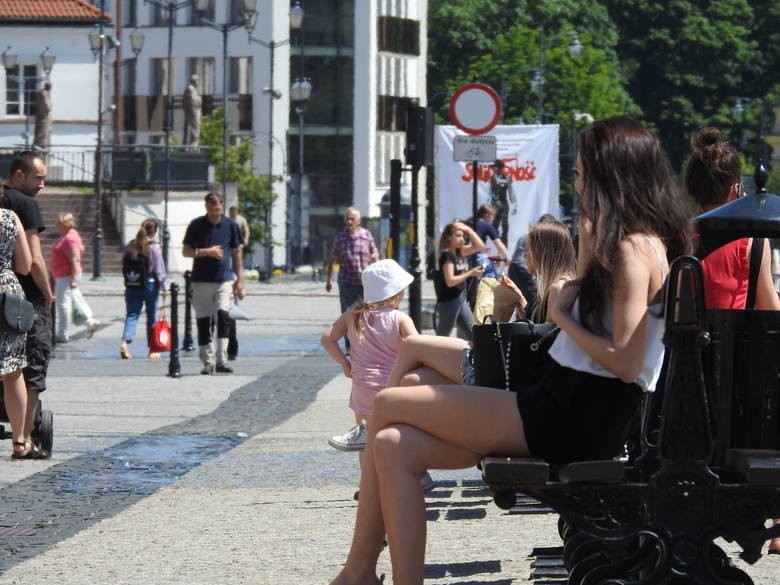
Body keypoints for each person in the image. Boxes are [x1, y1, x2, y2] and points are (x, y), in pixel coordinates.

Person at [326, 116, 691, 585]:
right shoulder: (632, 241)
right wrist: (584, 246)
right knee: (393, 443)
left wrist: (559, 317)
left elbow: (624, 360)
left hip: (571, 414)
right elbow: (589, 312)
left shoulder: (631, 250)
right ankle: (380, 576)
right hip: (564, 403)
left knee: (390, 402)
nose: (577, 184)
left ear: (607, 176)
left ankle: (356, 571)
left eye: (582, 174)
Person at [684, 126, 780, 555]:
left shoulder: (679, 241)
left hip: (685, 388)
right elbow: (769, 313)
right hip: (739, 388)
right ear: (737, 190)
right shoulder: (751, 244)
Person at [388, 219, 577, 389]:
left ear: (544, 252)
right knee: (411, 380)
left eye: (529, 249)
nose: (525, 255)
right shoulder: (555, 286)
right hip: (507, 368)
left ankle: (374, 416)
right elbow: (538, 331)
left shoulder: (559, 288)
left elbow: (546, 352)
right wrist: (520, 301)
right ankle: (377, 416)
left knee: (412, 344)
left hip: (504, 373)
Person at [0, 151, 54, 457]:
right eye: (39, 177)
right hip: (15, 301)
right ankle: (23, 440)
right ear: (18, 175)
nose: (43, 184)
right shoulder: (18, 211)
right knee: (20, 369)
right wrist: (48, 293)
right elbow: (30, 261)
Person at [182, 192, 245, 375]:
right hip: (201, 280)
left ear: (222, 206)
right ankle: (208, 362)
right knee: (203, 321)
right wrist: (205, 252)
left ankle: (221, 360)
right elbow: (186, 251)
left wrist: (239, 279)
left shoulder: (230, 225)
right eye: (210, 210)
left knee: (223, 318)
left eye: (217, 210)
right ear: (205, 208)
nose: (214, 213)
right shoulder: (196, 225)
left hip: (223, 280)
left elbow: (237, 253)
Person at [0, 186, 35, 458]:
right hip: (7, 296)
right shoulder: (10, 218)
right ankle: (20, 442)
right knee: (12, 372)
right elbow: (25, 265)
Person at [325, 207, 379, 349]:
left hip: (364, 282)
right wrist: (328, 281)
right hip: (346, 281)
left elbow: (375, 253)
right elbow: (331, 259)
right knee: (348, 314)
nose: (349, 221)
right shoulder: (340, 238)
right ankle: (350, 346)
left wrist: (375, 260)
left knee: (365, 313)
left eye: (352, 219)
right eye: (347, 219)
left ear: (359, 221)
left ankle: (365, 345)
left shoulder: (366, 235)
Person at [119, 219, 168, 360]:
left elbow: (124, 263)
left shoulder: (131, 245)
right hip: (150, 285)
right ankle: (153, 349)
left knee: (132, 315)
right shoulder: (154, 247)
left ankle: (124, 343)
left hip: (132, 285)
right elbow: (159, 269)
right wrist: (164, 286)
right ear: (154, 232)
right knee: (151, 317)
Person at [49, 212, 99, 343]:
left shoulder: (69, 238)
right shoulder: (69, 236)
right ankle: (89, 322)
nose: (57, 226)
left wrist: (74, 278)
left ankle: (63, 333)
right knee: (75, 301)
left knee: (63, 305)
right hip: (63, 274)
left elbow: (75, 258)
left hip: (65, 275)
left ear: (66, 225)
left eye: (59, 224)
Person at [434, 220, 485, 339]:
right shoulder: (447, 255)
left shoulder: (459, 252)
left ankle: (473, 357)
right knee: (442, 337)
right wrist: (470, 273)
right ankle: (430, 357)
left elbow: (480, 246)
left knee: (474, 333)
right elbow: (450, 281)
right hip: (449, 302)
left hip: (460, 299)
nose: (462, 239)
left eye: (463, 236)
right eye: (458, 235)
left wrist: (468, 229)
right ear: (448, 238)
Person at [508, 213, 558, 306]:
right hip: (523, 268)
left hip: (514, 267)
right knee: (533, 300)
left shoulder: (527, 236)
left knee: (522, 300)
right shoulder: (537, 237)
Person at [226, 206, 249, 360]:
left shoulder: (239, 221)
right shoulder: (227, 224)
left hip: (230, 277)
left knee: (230, 315)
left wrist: (240, 282)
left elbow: (238, 261)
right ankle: (224, 348)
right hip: (217, 278)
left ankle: (231, 348)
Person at [471, 203, 510, 278]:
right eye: (492, 217)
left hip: (462, 256)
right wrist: (508, 257)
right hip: (474, 256)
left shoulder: (470, 222)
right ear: (487, 215)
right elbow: (499, 245)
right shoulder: (486, 225)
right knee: (490, 271)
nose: (493, 220)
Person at [182, 74, 202, 146]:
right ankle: (192, 145)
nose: (198, 83)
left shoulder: (193, 89)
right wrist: (193, 112)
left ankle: (192, 144)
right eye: (197, 81)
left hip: (195, 111)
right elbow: (191, 101)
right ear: (195, 81)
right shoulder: (190, 89)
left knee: (194, 128)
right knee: (193, 128)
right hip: (193, 112)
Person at [33, 82, 52, 150]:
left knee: (41, 132)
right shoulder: (44, 93)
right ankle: (40, 147)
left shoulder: (41, 92)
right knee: (41, 133)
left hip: (41, 116)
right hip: (42, 116)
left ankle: (40, 146)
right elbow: (47, 106)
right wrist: (49, 108)